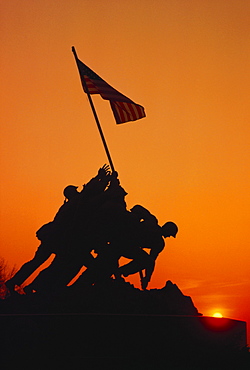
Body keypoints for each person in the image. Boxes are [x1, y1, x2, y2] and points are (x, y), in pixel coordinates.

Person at [5, 165, 111, 294]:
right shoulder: (73, 204)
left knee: (47, 263)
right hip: (56, 239)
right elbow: (87, 193)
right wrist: (100, 179)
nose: (78, 192)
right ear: (71, 194)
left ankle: (26, 284)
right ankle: (21, 283)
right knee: (45, 262)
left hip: (57, 239)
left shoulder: (72, 204)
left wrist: (103, 181)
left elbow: (88, 194)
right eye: (76, 191)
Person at [118, 205, 178, 289]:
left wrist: (147, 278)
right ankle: (121, 271)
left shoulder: (159, 244)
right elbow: (138, 208)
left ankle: (121, 271)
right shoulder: (152, 223)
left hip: (131, 247)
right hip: (124, 241)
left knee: (147, 261)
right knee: (146, 260)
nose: (168, 236)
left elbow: (151, 261)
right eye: (170, 234)